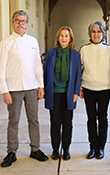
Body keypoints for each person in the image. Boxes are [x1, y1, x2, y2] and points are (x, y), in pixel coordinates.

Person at [0, 10, 49, 167]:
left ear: (27, 23)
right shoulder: (5, 42)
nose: (21, 23)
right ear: (13, 23)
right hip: (14, 88)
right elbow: (1, 68)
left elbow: (37, 66)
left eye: (24, 21)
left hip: (32, 87)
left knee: (34, 120)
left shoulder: (33, 41)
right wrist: (4, 90)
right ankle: (11, 151)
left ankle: (35, 149)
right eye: (18, 20)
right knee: (13, 121)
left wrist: (41, 86)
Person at [79, 21, 110, 159]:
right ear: (90, 34)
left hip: (105, 89)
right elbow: (80, 71)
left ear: (103, 33)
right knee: (91, 118)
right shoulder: (84, 49)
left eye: (99, 31)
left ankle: (101, 147)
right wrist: (80, 88)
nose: (96, 34)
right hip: (88, 88)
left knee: (102, 118)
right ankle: (92, 147)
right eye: (93, 31)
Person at [43, 26, 81, 160]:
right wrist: (43, 89)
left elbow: (78, 75)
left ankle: (66, 149)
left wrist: (76, 92)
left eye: (66, 36)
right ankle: (55, 149)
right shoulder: (51, 53)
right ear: (58, 38)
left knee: (67, 123)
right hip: (53, 93)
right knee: (55, 122)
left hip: (69, 93)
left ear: (70, 39)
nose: (64, 38)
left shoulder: (75, 55)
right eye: (61, 36)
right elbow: (45, 73)